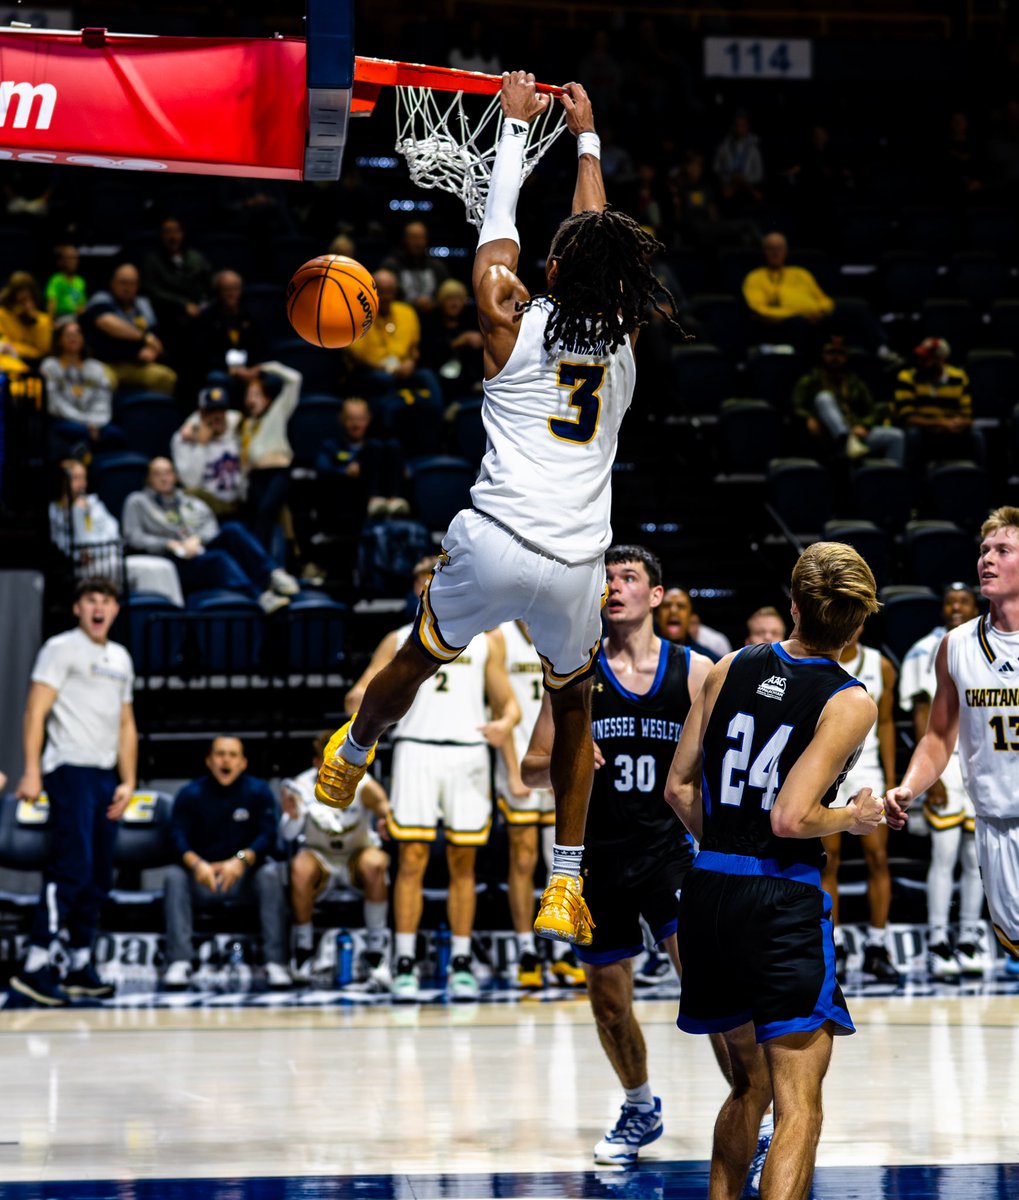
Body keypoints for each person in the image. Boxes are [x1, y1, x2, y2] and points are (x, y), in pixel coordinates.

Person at [316, 75, 686, 949]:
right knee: (574, 711)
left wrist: (516, 132)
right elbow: (601, 241)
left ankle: (352, 752)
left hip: (494, 539)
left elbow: (498, 237)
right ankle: (564, 883)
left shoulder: (506, 318)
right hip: (572, 565)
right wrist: (587, 138)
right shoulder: (628, 340)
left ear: (548, 271)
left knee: (418, 653)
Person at [665, 540, 884, 1200]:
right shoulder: (850, 699)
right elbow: (792, 818)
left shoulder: (729, 663)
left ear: (792, 605)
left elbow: (677, 790)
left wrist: (729, 844)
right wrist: (851, 816)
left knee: (746, 1086)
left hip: (705, 891)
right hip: (776, 903)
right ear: (856, 624)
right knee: (798, 1108)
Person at [522, 544, 713, 1165]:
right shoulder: (574, 670)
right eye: (606, 577)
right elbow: (529, 768)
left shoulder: (694, 670)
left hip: (671, 850)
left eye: (628, 577)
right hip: (598, 858)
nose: (614, 586)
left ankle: (753, 1111)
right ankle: (638, 1105)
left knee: (710, 987)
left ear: (656, 595)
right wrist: (565, 762)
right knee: (608, 1003)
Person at [344, 567, 519, 1000]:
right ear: (418, 587)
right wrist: (356, 702)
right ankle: (404, 962)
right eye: (427, 578)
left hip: (467, 753)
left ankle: (460, 962)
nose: (433, 584)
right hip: (416, 750)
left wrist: (507, 722)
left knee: (464, 862)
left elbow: (508, 701)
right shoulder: (398, 637)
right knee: (412, 859)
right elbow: (362, 689)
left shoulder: (487, 640)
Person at [886, 507, 1019, 979]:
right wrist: (910, 786)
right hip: (994, 824)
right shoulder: (956, 645)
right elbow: (939, 735)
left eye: (1002, 550)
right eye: (984, 550)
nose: (987, 559)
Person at [11, 577, 137, 1006]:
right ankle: (35, 965)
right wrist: (31, 770)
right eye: (91, 600)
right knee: (72, 867)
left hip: (105, 776)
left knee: (100, 873)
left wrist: (129, 779)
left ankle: (80, 962)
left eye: (107, 601)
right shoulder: (60, 648)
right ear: (78, 609)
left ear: (116, 610)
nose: (99, 608)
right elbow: (35, 710)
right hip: (68, 770)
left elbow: (125, 724)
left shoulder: (120, 657)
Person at [897, 583, 989, 978]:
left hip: (985, 762)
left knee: (977, 858)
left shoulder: (991, 643)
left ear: (975, 605)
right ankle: (937, 940)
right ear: (941, 609)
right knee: (945, 854)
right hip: (947, 762)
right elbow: (922, 712)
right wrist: (930, 773)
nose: (956, 607)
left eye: (963, 601)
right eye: (949, 602)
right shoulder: (927, 648)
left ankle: (968, 938)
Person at [497, 619, 584, 990]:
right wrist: (510, 767)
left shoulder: (561, 626)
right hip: (519, 756)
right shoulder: (499, 637)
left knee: (559, 860)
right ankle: (525, 951)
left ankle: (562, 949)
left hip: (554, 751)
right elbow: (499, 708)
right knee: (522, 856)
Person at [162, 736, 290, 990]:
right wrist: (198, 864)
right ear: (209, 761)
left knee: (271, 874)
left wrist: (240, 861)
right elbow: (175, 837)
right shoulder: (190, 794)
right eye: (220, 754)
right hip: (204, 877)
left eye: (232, 755)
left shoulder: (258, 792)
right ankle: (179, 961)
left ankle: (276, 962)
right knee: (174, 876)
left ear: (243, 763)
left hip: (244, 879)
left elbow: (268, 836)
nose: (226, 760)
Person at [279, 731, 392, 989]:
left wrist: (386, 819)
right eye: (329, 761)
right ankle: (303, 949)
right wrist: (294, 816)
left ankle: (377, 952)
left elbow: (386, 810)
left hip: (356, 856)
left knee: (377, 862)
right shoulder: (302, 786)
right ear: (317, 763)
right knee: (299, 866)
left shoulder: (364, 784)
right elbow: (287, 835)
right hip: (322, 858)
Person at [821, 628, 901, 983]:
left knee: (878, 858)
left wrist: (892, 776)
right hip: (829, 767)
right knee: (829, 861)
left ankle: (877, 946)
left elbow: (885, 724)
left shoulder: (880, 665)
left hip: (867, 769)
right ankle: (831, 947)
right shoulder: (820, 661)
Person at [122, 457, 299, 612]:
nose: (164, 478)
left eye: (168, 472)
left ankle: (273, 574)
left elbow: (211, 525)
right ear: (148, 478)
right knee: (219, 558)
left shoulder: (189, 501)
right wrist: (169, 544)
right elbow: (133, 536)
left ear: (174, 476)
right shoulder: (137, 502)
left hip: (198, 549)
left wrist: (197, 539)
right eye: (157, 473)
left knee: (233, 529)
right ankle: (259, 596)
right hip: (171, 561)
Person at [49, 459, 184, 605]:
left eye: (83, 478)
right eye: (76, 478)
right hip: (88, 569)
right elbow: (83, 550)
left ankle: (174, 612)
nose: (82, 483)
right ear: (63, 481)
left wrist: (99, 548)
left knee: (165, 567)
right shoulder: (56, 511)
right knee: (150, 570)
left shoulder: (94, 503)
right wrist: (78, 513)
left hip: (112, 559)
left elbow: (112, 531)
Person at [344, 267, 444, 457]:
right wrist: (385, 368)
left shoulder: (406, 311)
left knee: (427, 376)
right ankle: (389, 441)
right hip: (370, 373)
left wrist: (410, 363)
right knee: (384, 380)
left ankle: (437, 429)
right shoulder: (356, 315)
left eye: (390, 290)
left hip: (403, 370)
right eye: (382, 291)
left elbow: (414, 349)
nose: (386, 296)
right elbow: (356, 355)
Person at [792, 336, 904, 464]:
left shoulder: (854, 382)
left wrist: (863, 425)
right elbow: (797, 406)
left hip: (855, 434)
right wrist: (809, 417)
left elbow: (871, 411)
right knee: (824, 397)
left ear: (846, 356)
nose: (835, 358)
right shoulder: (811, 379)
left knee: (896, 436)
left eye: (840, 353)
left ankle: (891, 479)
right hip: (825, 432)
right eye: (831, 353)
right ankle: (845, 441)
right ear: (823, 355)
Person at [81, 263, 177, 396]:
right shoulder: (101, 299)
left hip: (137, 365)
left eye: (132, 283)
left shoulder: (143, 304)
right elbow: (108, 324)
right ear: (112, 283)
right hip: (107, 363)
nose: (127, 288)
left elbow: (155, 335)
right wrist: (144, 337)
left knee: (166, 378)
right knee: (104, 380)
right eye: (123, 282)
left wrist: (152, 350)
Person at [239, 362, 301, 549]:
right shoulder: (246, 424)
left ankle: (265, 564)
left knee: (266, 512)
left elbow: (295, 379)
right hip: (255, 476)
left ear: (267, 398)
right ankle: (261, 562)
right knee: (255, 517)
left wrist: (265, 368)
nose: (252, 400)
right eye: (249, 395)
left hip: (277, 472)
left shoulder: (276, 413)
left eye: (257, 395)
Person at [893, 337, 982, 467]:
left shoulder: (958, 377)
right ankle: (911, 480)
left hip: (951, 428)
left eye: (925, 359)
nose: (919, 361)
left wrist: (960, 423)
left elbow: (967, 413)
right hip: (923, 429)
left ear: (940, 360)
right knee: (912, 434)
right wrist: (941, 423)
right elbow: (907, 417)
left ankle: (977, 477)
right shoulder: (907, 377)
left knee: (976, 434)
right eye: (919, 356)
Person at [42, 320, 123, 460]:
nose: (73, 338)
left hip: (96, 421)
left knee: (114, 433)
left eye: (77, 334)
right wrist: (86, 423)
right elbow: (55, 404)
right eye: (68, 335)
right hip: (66, 420)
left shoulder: (96, 367)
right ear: (59, 340)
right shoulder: (50, 366)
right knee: (74, 432)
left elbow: (103, 400)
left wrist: (95, 423)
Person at [171, 384, 245, 516]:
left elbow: (237, 416)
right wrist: (200, 445)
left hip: (238, 505)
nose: (217, 416)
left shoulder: (235, 429)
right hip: (205, 509)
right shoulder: (184, 440)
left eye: (221, 410)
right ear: (201, 413)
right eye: (211, 411)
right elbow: (190, 482)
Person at [141, 216, 212, 344]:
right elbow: (154, 291)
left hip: (197, 311)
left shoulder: (195, 257)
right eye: (168, 232)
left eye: (176, 231)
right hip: (168, 315)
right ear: (161, 236)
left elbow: (209, 282)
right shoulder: (153, 261)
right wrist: (183, 304)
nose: (172, 237)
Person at [381, 221, 450, 313]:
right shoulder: (391, 266)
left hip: (434, 318)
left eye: (421, 238)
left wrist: (433, 303)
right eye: (413, 238)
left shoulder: (437, 267)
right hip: (400, 316)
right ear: (405, 239)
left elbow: (446, 294)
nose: (418, 243)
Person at [0, 270, 53, 372]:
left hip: (36, 364)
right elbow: (3, 345)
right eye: (20, 298)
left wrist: (34, 321)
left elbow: (43, 350)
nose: (24, 303)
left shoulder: (43, 320)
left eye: (28, 298)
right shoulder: (2, 314)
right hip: (9, 360)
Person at [656, 586, 721, 661]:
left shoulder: (709, 661)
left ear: (690, 617)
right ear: (657, 616)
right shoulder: (641, 656)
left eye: (681, 606)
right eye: (666, 605)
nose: (673, 611)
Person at [45, 244, 88, 320]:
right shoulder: (56, 280)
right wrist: (50, 323)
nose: (73, 261)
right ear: (61, 261)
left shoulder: (80, 281)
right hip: (61, 317)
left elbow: (82, 305)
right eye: (69, 258)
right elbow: (51, 304)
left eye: (75, 257)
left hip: (77, 317)